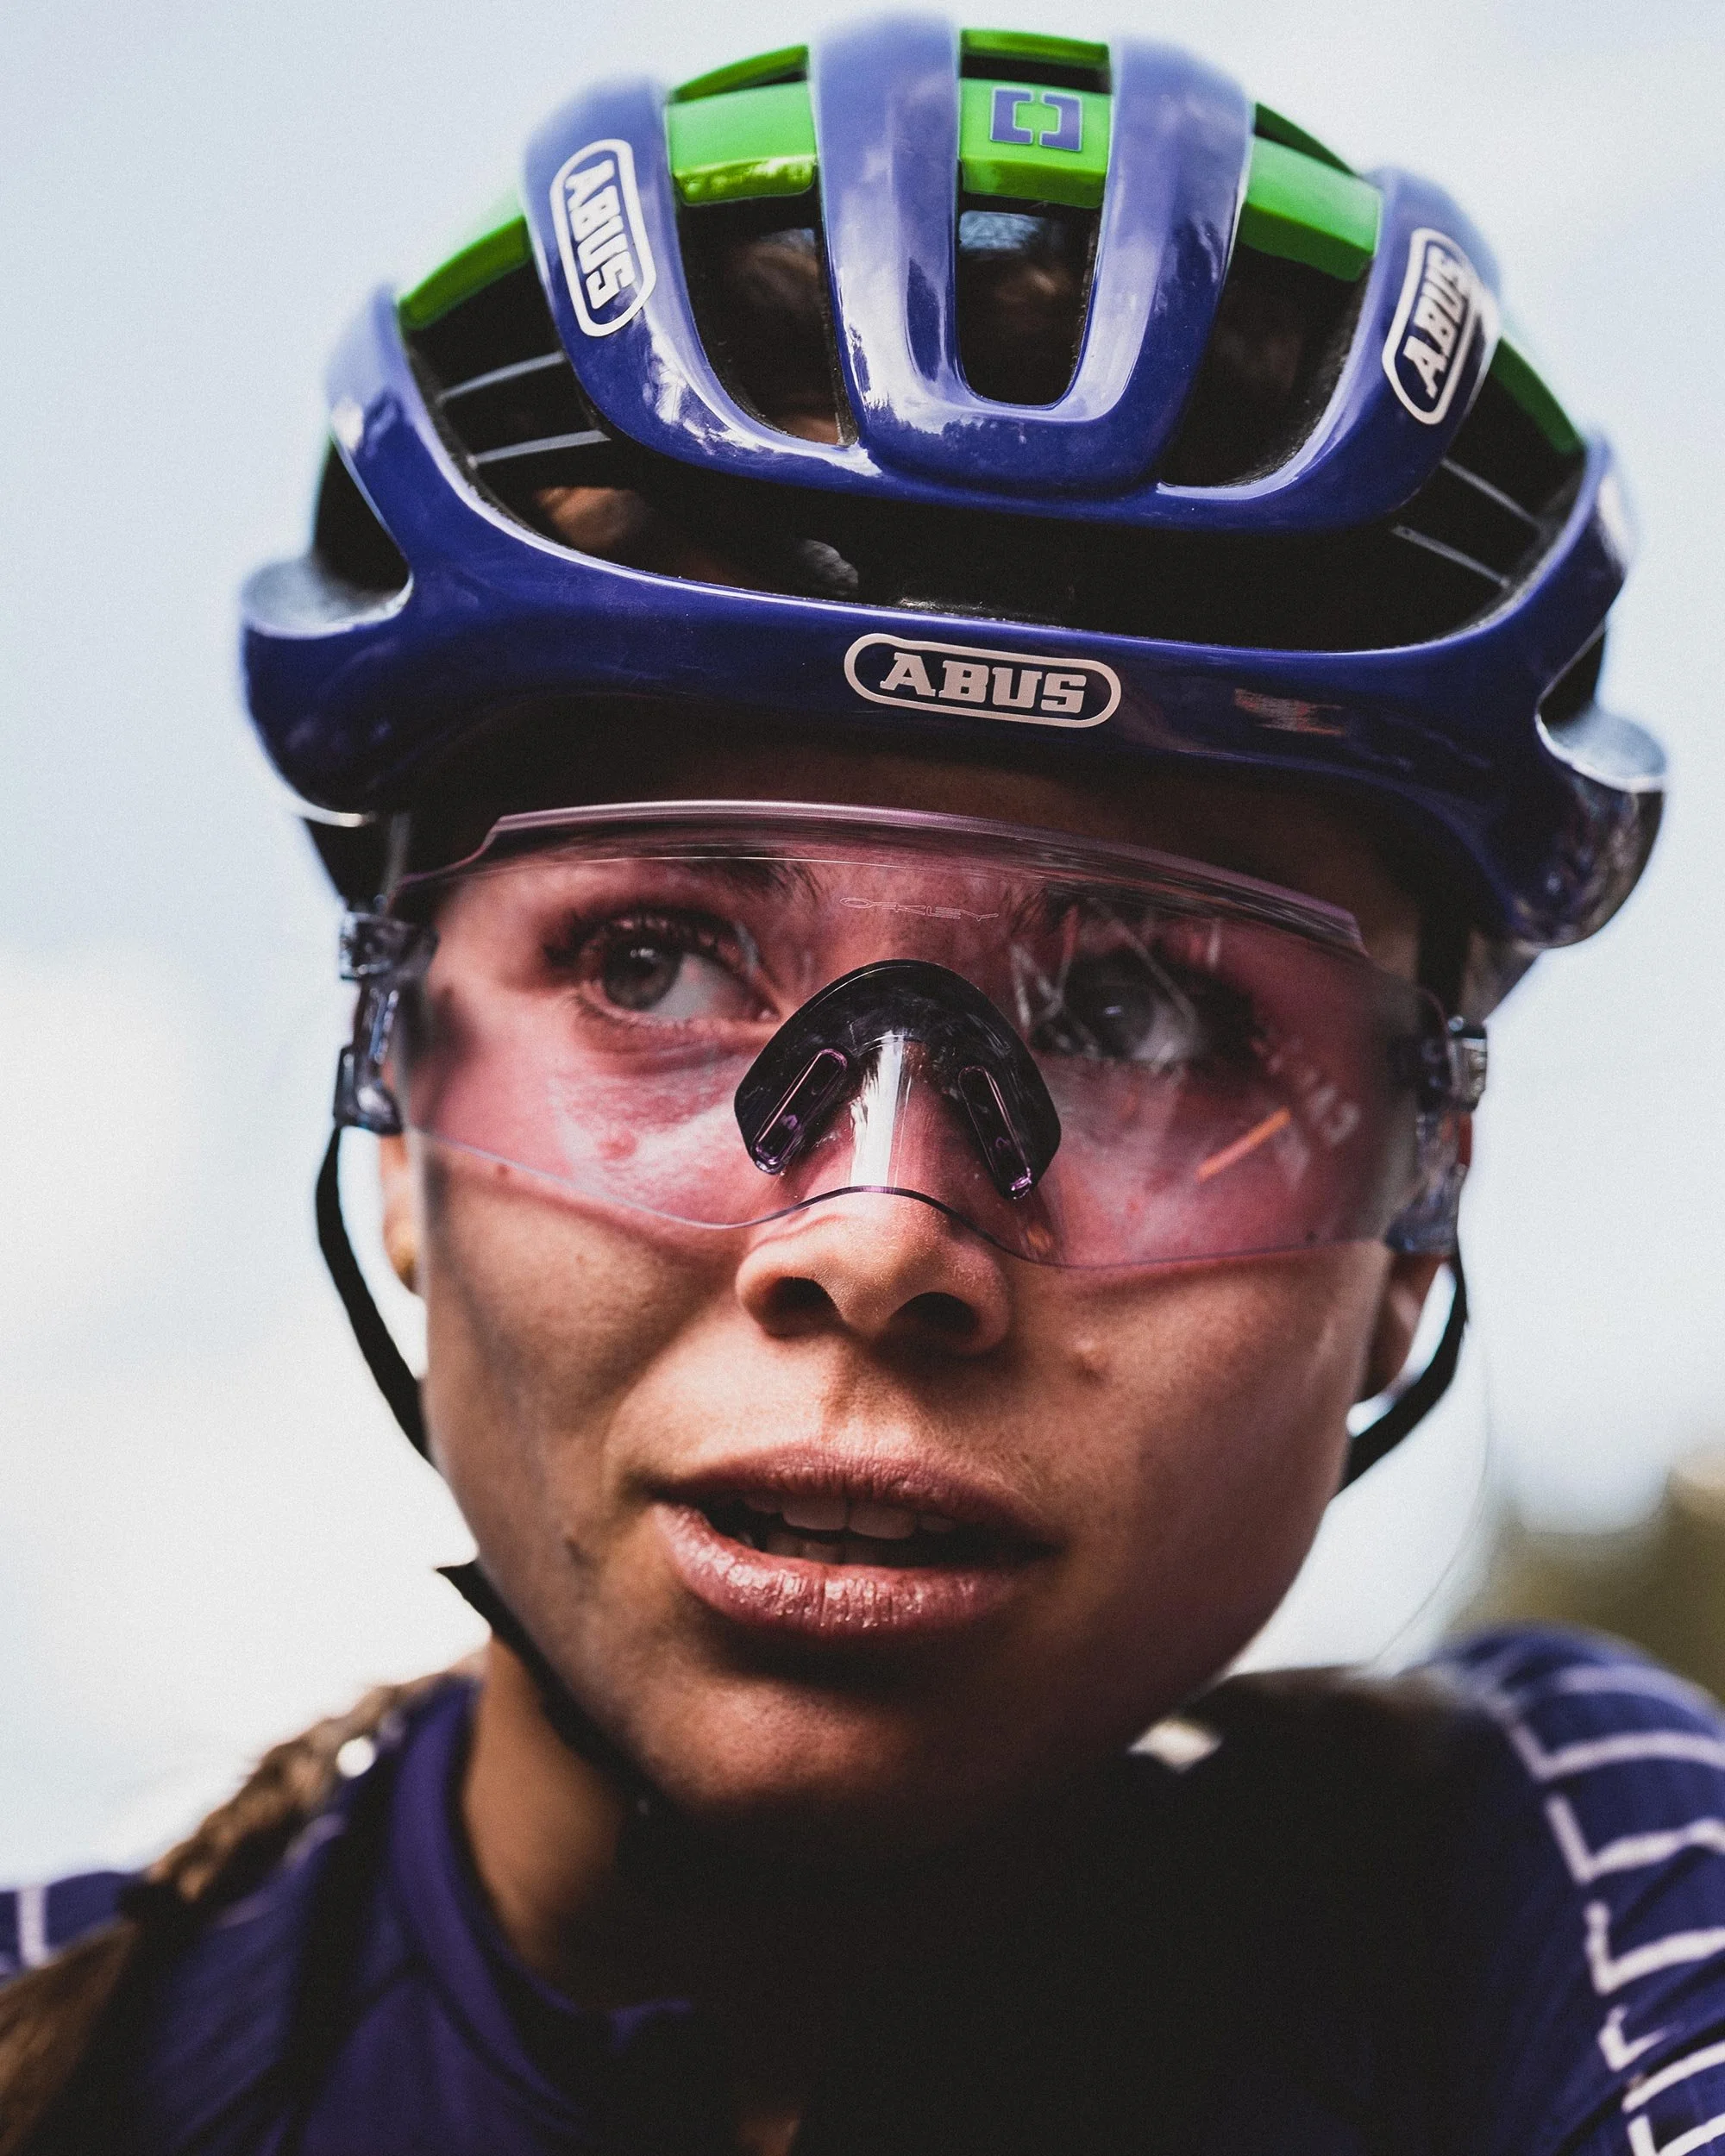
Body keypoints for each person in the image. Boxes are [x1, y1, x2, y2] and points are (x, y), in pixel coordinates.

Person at [1, 20, 1713, 2155]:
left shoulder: (1582, 1902)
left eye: (1153, 1019)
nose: (884, 1232)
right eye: (655, 959)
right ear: (398, 1116)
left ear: (1409, 1221)